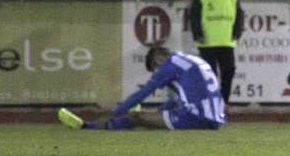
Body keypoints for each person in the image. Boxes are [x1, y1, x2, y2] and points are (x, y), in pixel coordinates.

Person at [58, 45, 226, 131]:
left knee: (136, 118)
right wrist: (158, 113)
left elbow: (143, 93)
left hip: (194, 117)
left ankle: (88, 126)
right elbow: (177, 98)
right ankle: (94, 125)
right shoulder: (192, 59)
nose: (157, 72)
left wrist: (114, 112)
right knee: (149, 119)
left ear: (159, 59)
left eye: (155, 68)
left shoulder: (170, 64)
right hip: (215, 119)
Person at [189, 0, 244, 103]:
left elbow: (239, 14)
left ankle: (223, 102)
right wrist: (198, 34)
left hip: (226, 41)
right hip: (207, 42)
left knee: (229, 71)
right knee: (210, 75)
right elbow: (194, 15)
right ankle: (210, 102)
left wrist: (237, 33)